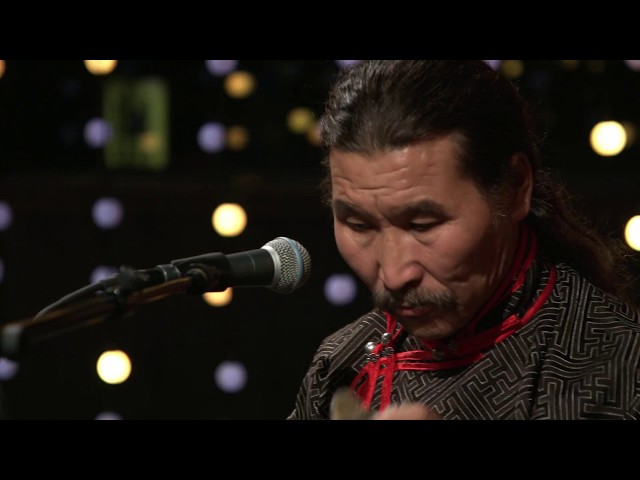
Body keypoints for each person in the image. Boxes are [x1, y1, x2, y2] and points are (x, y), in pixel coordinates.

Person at [287, 60, 640, 420]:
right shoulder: (339, 365)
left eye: (423, 225)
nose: (393, 275)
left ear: (515, 188)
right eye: (359, 225)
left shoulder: (615, 364)